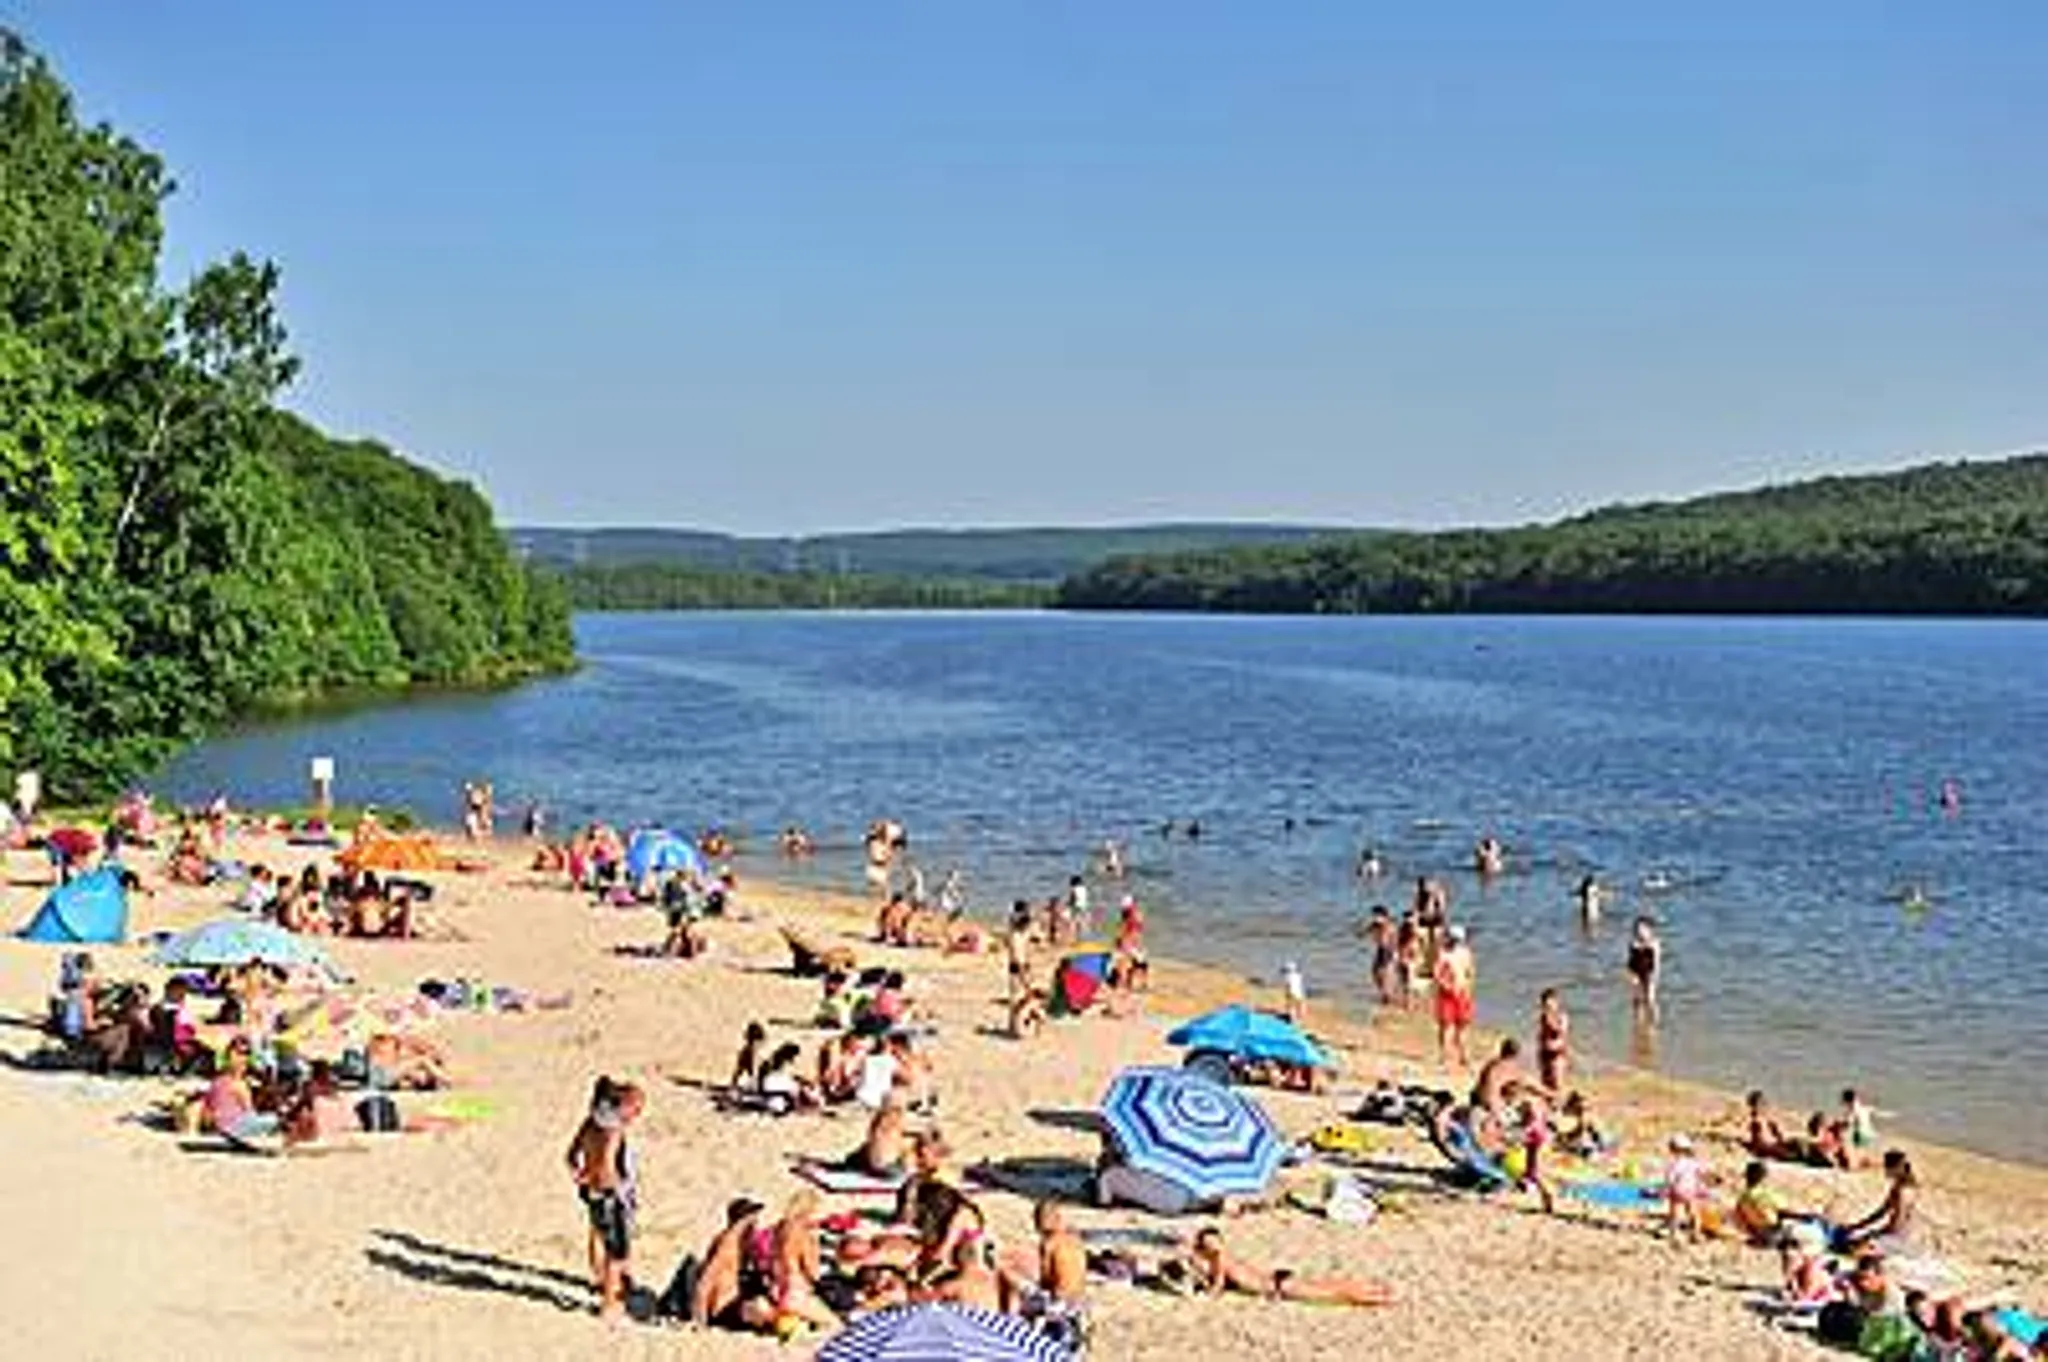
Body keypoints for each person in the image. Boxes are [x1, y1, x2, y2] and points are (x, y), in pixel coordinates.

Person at [565, 1077, 644, 1321]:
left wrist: (582, 1177)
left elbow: (570, 1156)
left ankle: (603, 1280)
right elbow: (607, 1165)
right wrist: (616, 1189)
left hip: (593, 1193)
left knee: (598, 1234)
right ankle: (610, 1302)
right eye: (635, 1108)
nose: (637, 1114)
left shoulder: (590, 1123)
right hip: (610, 1195)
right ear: (621, 1105)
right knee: (617, 1251)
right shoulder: (613, 1130)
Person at [1183, 1225, 1393, 1307]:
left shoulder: (1221, 1260)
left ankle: (1376, 1297)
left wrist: (1202, 1290)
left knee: (1333, 1295)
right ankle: (1375, 1290)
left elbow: (1216, 1290)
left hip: (1279, 1286)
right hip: (1278, 1278)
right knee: (1328, 1286)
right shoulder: (1224, 1258)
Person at [689, 1197, 774, 1331]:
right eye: (753, 1220)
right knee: (761, 1308)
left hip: (735, 1304)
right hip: (723, 1310)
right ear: (743, 1221)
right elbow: (705, 1282)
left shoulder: (740, 1243)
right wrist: (700, 1319)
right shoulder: (727, 1245)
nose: (756, 1224)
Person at [767, 1189, 840, 1331]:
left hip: (776, 1286)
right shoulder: (805, 1235)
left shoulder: (780, 1227)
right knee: (834, 1323)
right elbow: (812, 1270)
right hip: (794, 1291)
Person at [1839, 1150, 1919, 1252]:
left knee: (1854, 1249)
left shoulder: (1903, 1191)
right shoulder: (1900, 1185)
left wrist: (1873, 1235)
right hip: (1894, 1233)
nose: (1885, 1170)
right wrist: (1856, 1226)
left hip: (1898, 1237)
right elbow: (1882, 1211)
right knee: (1852, 1242)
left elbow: (1898, 1223)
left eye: (1887, 1167)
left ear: (1896, 1167)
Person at [1433, 925, 1477, 1069]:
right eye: (1453, 939)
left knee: (1462, 1028)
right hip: (1447, 995)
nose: (1455, 942)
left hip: (1462, 993)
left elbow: (1470, 972)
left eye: (1457, 940)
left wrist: (1468, 990)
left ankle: (1464, 1058)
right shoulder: (1443, 953)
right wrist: (1447, 986)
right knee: (1446, 1028)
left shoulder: (1465, 953)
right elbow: (1437, 974)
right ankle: (1444, 1058)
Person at [1663, 1133, 1709, 1243]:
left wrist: (1666, 1188)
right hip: (1691, 1190)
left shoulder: (1674, 1164)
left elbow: (1670, 1179)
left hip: (1678, 1191)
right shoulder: (1693, 1162)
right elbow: (1701, 1173)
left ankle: (1674, 1233)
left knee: (1675, 1213)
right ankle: (1696, 1233)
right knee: (1693, 1212)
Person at [1627, 917, 1662, 1024]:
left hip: (1649, 972)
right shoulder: (1633, 943)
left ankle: (1655, 1021)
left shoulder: (1654, 943)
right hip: (1636, 971)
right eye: (1638, 930)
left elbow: (1657, 961)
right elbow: (1630, 960)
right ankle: (1639, 1021)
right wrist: (1630, 974)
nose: (1640, 932)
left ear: (1650, 930)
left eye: (1643, 929)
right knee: (1637, 999)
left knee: (1650, 998)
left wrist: (1655, 975)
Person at [1360, 906, 1396, 1006]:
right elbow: (1363, 933)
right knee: (1375, 972)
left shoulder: (1389, 925)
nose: (1374, 917)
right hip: (1381, 950)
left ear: (1383, 916)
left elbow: (1394, 939)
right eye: (1374, 915)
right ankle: (1385, 994)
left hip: (1389, 951)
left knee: (1385, 974)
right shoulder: (1375, 924)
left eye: (1376, 915)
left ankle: (1387, 996)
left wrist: (1395, 954)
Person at [1745, 1089, 1792, 1160]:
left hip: (1773, 1145)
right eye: (1761, 1104)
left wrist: (1778, 1136)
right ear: (1754, 1106)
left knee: (1797, 1144)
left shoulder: (1767, 1120)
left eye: (1764, 1103)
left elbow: (1779, 1135)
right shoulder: (1755, 1122)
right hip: (1768, 1148)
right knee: (1789, 1153)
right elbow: (1758, 1143)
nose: (1764, 1106)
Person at [732, 1022, 768, 1091]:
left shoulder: (747, 1050)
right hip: (751, 1085)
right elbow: (751, 1071)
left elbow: (739, 1072)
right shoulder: (749, 1051)